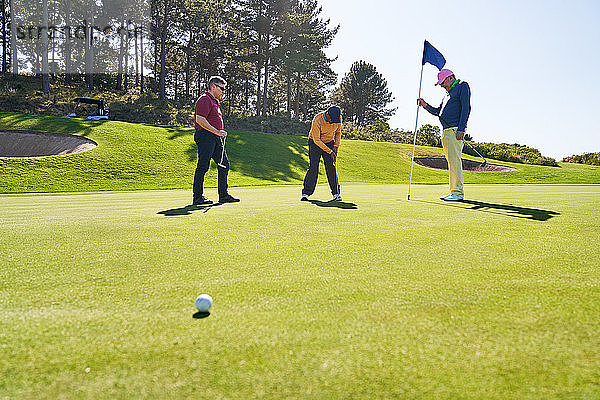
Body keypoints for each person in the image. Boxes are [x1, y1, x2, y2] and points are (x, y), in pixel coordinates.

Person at [418, 69, 471, 201]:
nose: (442, 85)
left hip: (455, 130)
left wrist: (462, 128)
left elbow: (466, 108)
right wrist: (425, 105)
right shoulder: (447, 95)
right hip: (446, 131)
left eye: (443, 82)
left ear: (451, 78)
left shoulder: (462, 86)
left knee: (454, 161)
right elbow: (438, 112)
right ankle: (453, 191)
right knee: (451, 162)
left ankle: (457, 193)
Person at [192, 76, 239, 205]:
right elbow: (200, 120)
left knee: (224, 165)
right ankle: (197, 197)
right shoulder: (205, 99)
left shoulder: (215, 102)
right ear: (213, 87)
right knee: (203, 166)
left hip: (215, 137)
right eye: (222, 88)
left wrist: (218, 133)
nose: (223, 91)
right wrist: (217, 131)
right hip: (205, 136)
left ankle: (223, 195)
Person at [301, 105, 343, 202]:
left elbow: (338, 133)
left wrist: (336, 147)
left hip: (329, 142)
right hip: (315, 143)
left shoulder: (338, 118)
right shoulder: (317, 119)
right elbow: (317, 140)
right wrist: (330, 151)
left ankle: (336, 193)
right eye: (332, 120)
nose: (334, 122)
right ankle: (306, 193)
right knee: (313, 167)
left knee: (331, 167)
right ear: (327, 115)